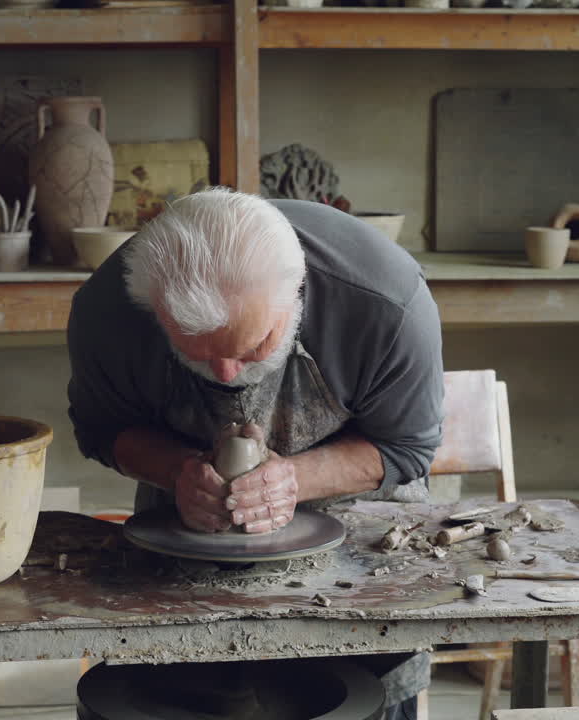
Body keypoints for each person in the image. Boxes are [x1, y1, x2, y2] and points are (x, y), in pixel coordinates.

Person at [66, 187, 444, 720]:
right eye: (196, 351)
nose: (226, 373)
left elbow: (409, 447)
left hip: (362, 539)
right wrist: (177, 471)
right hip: (188, 544)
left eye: (252, 347)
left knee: (364, 693)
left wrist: (292, 480)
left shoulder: (385, 300)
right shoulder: (108, 311)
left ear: (296, 295)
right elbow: (102, 429)